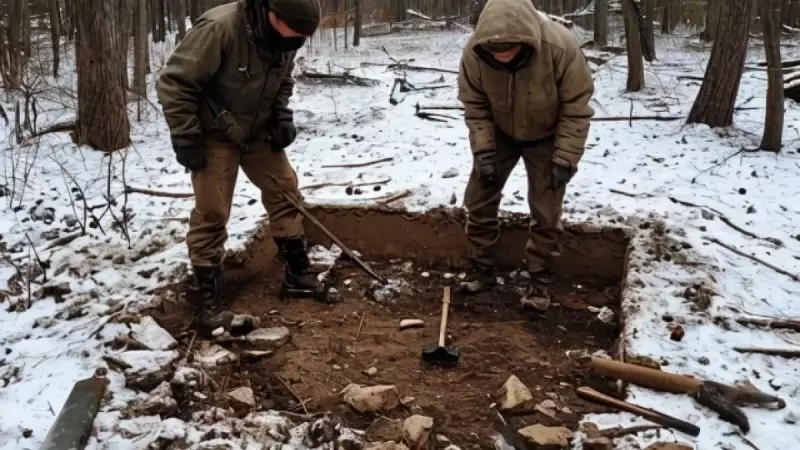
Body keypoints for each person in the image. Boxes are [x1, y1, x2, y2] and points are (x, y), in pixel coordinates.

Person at [155, 0, 325, 330]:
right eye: (293, 34)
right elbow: (175, 82)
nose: (295, 44)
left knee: (286, 192)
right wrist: (186, 136)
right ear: (272, 15)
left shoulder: (287, 38)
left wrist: (281, 116)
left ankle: (297, 274)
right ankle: (209, 304)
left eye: (301, 38)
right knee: (212, 212)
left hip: (258, 130)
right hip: (214, 133)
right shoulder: (221, 29)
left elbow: (283, 79)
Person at [456, 0, 594, 310]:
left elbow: (577, 106)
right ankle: (482, 267)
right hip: (500, 131)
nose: (502, 58)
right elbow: (474, 104)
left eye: (510, 52)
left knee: (546, 209)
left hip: (547, 135)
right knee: (478, 197)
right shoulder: (475, 53)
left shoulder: (559, 47)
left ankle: (539, 279)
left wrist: (566, 157)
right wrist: (483, 150)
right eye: (496, 54)